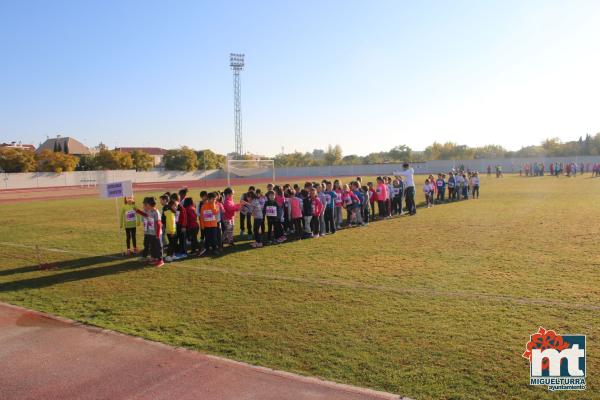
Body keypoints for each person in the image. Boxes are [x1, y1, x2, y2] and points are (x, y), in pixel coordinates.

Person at [134, 196, 164, 267]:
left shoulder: (155, 212)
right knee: (152, 246)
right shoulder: (148, 211)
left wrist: (157, 234)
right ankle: (154, 258)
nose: (143, 206)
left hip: (156, 233)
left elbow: (159, 224)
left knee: (158, 247)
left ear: (149, 205)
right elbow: (146, 215)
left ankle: (160, 260)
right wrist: (138, 211)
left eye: (144, 204)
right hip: (149, 232)